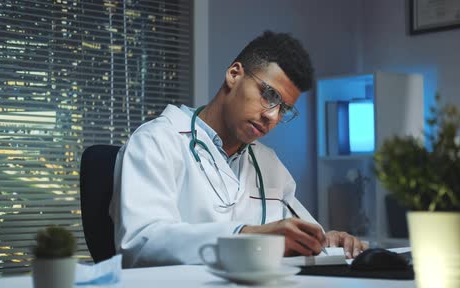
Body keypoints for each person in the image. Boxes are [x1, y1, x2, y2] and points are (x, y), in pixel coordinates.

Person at [109, 30, 368, 268]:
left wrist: (327, 243)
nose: (273, 116)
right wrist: (246, 235)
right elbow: (141, 244)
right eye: (269, 95)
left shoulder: (268, 163)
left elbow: (298, 232)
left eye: (284, 108)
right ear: (234, 74)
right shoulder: (157, 141)